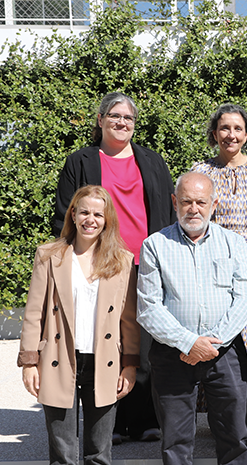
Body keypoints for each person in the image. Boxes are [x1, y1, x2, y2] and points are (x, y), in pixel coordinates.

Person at [137, 172, 247, 465]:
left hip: (225, 354)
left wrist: (213, 343)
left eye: (201, 202)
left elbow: (245, 300)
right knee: (175, 441)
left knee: (234, 437)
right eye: (186, 201)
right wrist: (188, 343)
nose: (194, 208)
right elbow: (148, 308)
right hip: (173, 355)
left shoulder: (234, 243)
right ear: (175, 203)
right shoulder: (155, 245)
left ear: (213, 205)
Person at [19, 185, 139, 465]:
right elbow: (34, 310)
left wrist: (130, 364)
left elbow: (128, 320)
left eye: (98, 214)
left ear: (107, 221)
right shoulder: (50, 256)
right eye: (83, 212)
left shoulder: (120, 259)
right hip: (59, 360)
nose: (90, 219)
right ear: (72, 214)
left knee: (99, 451)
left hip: (104, 361)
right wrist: (29, 361)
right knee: (63, 452)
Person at [54, 91, 173, 444]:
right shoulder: (81, 162)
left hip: (143, 262)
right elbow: (65, 213)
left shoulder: (151, 161)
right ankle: (113, 423)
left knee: (146, 342)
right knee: (106, 339)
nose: (121, 123)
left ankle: (145, 419)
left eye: (128, 118)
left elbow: (165, 215)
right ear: (101, 120)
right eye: (115, 116)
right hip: (101, 262)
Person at [192, 103, 247, 416]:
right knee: (218, 336)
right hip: (215, 265)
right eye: (224, 128)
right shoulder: (202, 171)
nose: (231, 135)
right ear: (214, 133)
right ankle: (221, 414)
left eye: (238, 128)